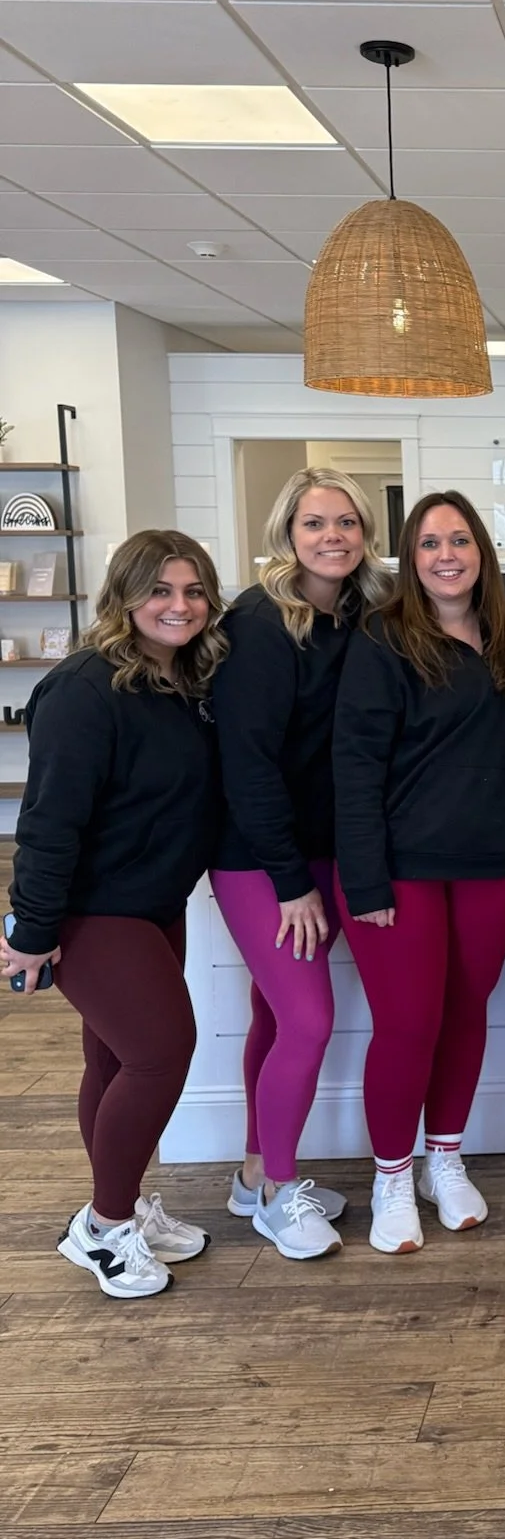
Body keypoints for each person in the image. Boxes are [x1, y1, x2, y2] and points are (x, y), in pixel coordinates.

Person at [1, 532, 225, 1299]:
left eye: (193, 591)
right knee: (163, 1054)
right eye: (160, 590)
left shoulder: (182, 683)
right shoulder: (84, 689)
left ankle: (122, 1205)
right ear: (124, 596)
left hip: (155, 904)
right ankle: (101, 1227)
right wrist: (30, 934)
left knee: (114, 1061)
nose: (179, 606)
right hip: (92, 913)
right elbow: (48, 821)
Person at [333, 491, 505, 1255]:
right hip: (402, 871)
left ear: (481, 551)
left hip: (491, 865)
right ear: (409, 561)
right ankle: (391, 1175)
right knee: (409, 1024)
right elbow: (354, 770)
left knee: (465, 1013)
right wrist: (367, 881)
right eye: (428, 544)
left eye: (458, 540)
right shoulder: (384, 642)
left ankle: (443, 1158)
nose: (445, 555)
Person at [211, 468, 392, 1259]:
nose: (333, 538)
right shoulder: (259, 622)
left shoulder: (368, 616)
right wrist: (289, 883)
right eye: (315, 524)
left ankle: (255, 1173)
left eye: (347, 523)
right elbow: (246, 764)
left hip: (331, 848)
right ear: (287, 534)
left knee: (273, 1015)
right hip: (259, 859)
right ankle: (280, 1193)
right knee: (311, 1022)